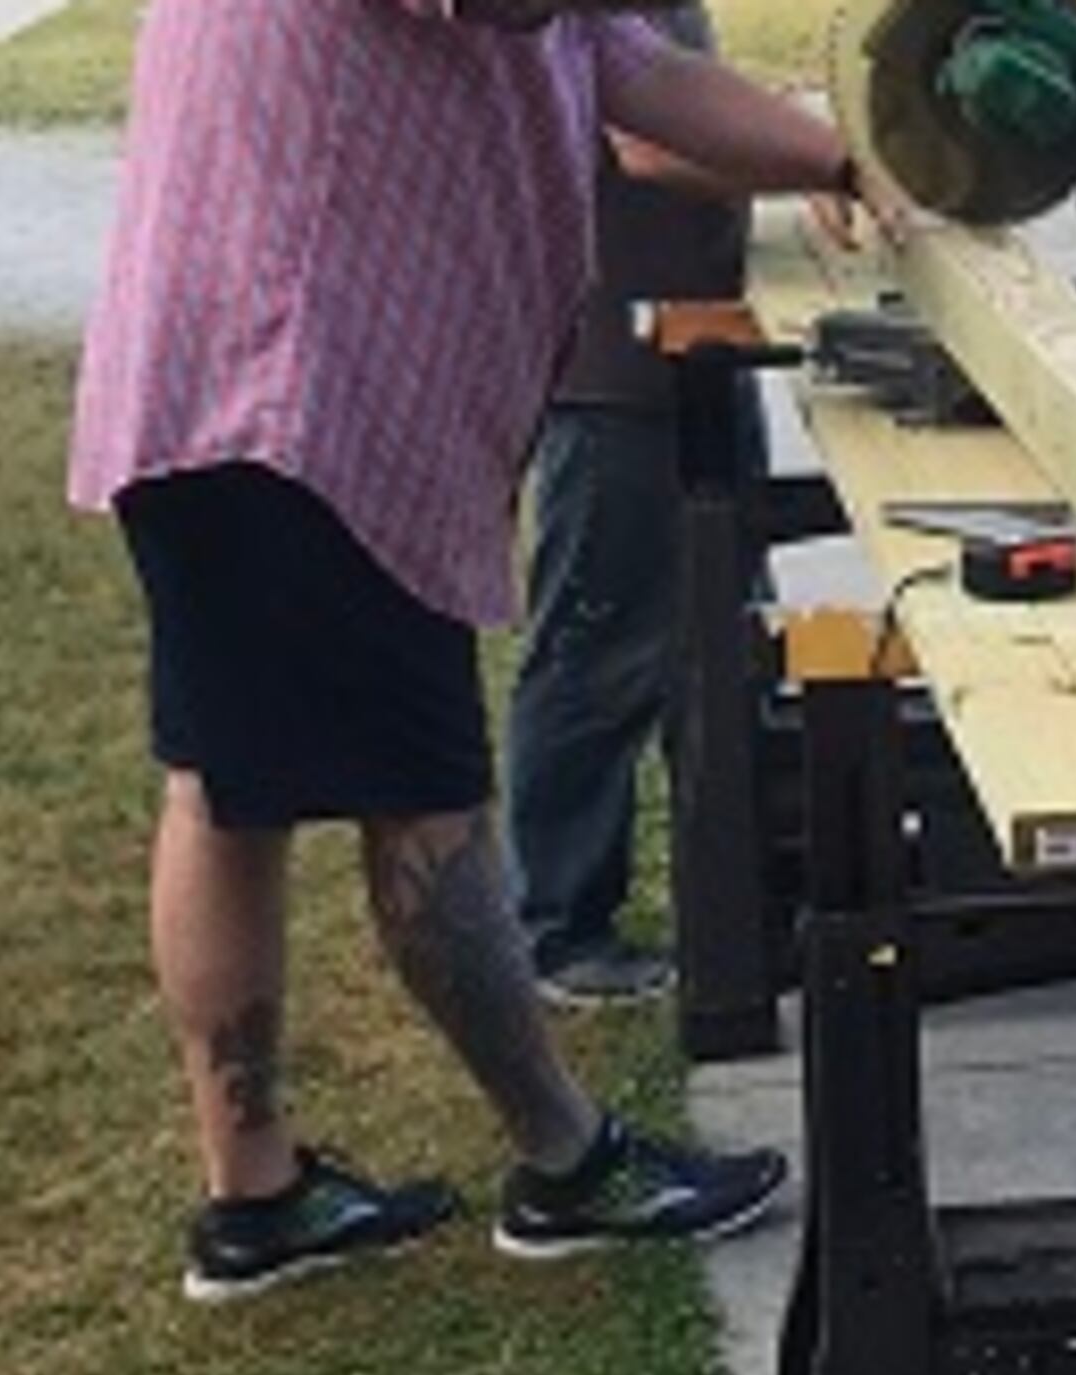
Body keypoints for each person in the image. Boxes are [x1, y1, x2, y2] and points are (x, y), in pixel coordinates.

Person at [69, 0, 862, 1301]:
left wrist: (843, 157)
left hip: (242, 383)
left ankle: (255, 1197)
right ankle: (567, 1164)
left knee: (225, 782)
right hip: (306, 392)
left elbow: (632, 69)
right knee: (420, 799)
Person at [505, 3, 748, 1012]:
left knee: (712, 652)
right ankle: (561, 932)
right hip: (613, 373)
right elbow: (647, 141)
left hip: (688, 355)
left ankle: (729, 899)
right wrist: (831, 161)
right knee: (596, 658)